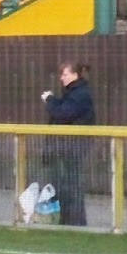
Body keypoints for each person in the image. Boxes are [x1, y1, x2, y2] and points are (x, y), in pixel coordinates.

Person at [41, 63, 96, 226]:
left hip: (73, 145)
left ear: (75, 75)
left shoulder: (80, 94)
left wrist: (50, 100)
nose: (62, 78)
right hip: (68, 145)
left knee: (72, 184)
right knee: (66, 184)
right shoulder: (73, 93)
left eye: (65, 74)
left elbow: (62, 113)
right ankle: (67, 219)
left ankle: (75, 221)